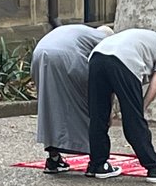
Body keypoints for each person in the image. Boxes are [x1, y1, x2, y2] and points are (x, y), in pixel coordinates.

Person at [85, 28, 156, 182]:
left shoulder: (141, 36)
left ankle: (97, 164)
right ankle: (153, 168)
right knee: (133, 120)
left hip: (96, 57)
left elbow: (111, 77)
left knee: (98, 116)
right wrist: (141, 107)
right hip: (125, 61)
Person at [31, 24, 112, 173]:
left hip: (39, 55)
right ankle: (97, 161)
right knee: (89, 105)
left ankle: (53, 159)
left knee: (50, 105)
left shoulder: (82, 31)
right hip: (66, 56)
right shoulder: (105, 39)